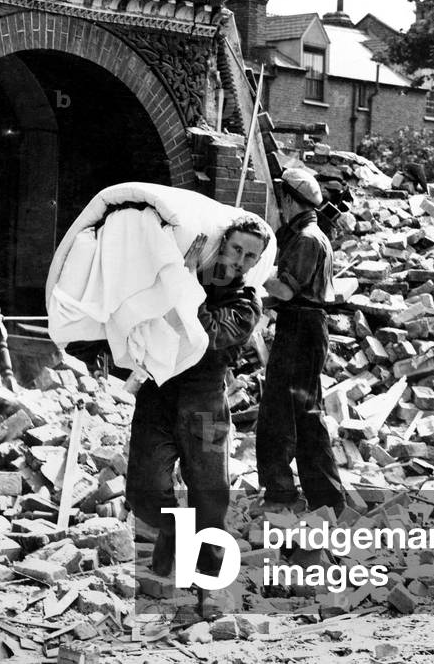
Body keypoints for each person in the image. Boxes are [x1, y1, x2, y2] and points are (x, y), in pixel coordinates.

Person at [126, 218, 270, 588]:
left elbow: (208, 333)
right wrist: (179, 276)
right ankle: (173, 529)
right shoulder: (183, 274)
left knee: (209, 494)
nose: (240, 260)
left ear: (256, 263)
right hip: (159, 393)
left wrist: (184, 282)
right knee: (143, 490)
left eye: (250, 256)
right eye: (237, 249)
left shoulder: (245, 304)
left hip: (203, 403)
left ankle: (210, 577)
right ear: (222, 246)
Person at [256, 167, 344, 512]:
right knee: (293, 409)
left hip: (302, 327)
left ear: (290, 200)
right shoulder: (306, 233)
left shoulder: (307, 238)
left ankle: (301, 494)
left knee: (292, 410)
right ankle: (313, 494)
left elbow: (287, 291)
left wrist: (256, 272)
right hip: (302, 326)